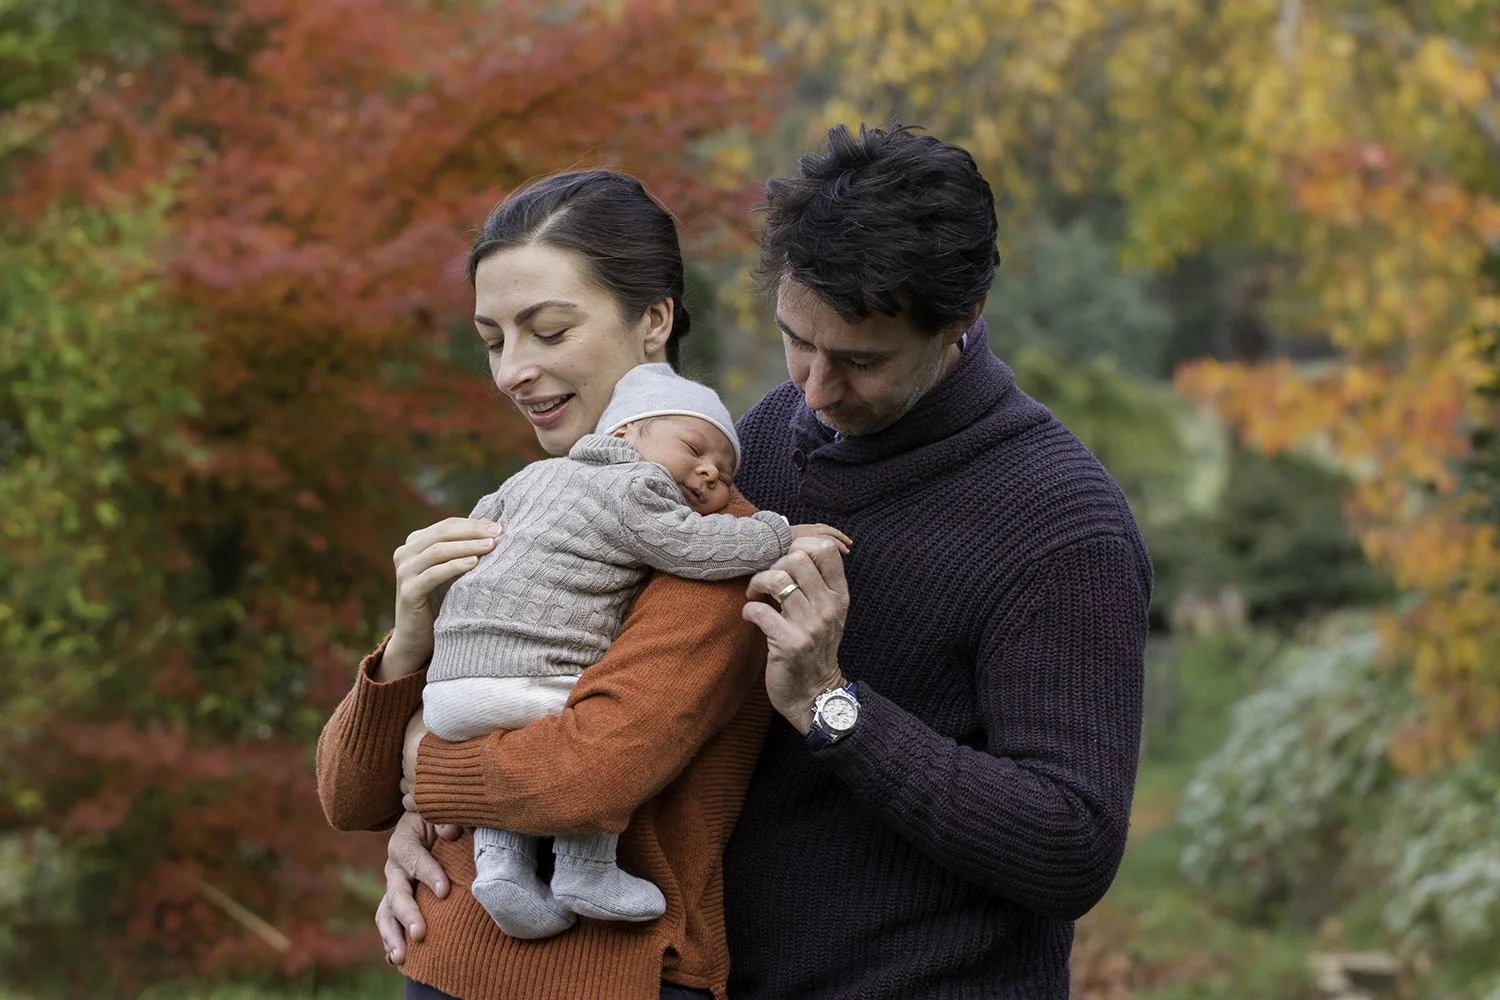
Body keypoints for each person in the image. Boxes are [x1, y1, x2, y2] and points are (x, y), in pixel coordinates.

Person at [370, 124, 1152, 999]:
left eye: (859, 360)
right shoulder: (747, 449)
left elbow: (1071, 847)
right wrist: (438, 816)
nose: (813, 392)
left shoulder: (1062, 526)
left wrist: (833, 707)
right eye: (796, 339)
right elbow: (592, 691)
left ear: (964, 320)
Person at [316, 170, 781, 1000]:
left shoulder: (713, 553)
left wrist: (433, 765)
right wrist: (408, 646)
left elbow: (588, 778)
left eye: (549, 330)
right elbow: (350, 796)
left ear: (654, 321)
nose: (512, 372)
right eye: (494, 340)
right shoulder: (518, 513)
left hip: (617, 977)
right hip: (442, 962)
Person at [416, 362, 846, 940]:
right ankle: (585, 870)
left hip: (448, 687)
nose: (709, 471)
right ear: (622, 436)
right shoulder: (635, 486)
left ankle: (499, 867)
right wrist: (777, 534)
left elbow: (476, 537)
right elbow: (690, 545)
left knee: (513, 732)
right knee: (585, 721)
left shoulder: (525, 481)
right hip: (531, 678)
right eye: (695, 447)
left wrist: (422, 751)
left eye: (722, 471)